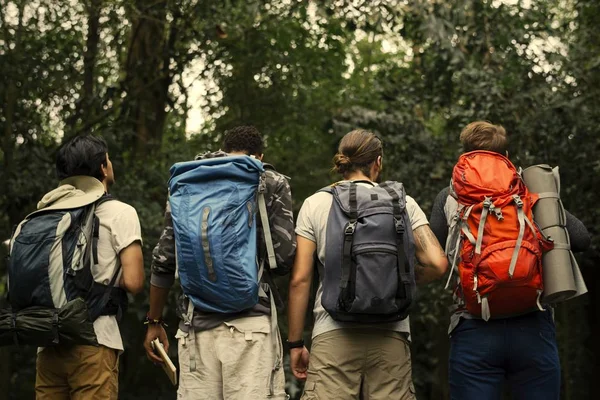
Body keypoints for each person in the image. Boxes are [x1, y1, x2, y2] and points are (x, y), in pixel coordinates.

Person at [429, 121, 591, 400]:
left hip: (474, 327)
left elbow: (433, 257)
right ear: (506, 155)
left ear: (465, 154)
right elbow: (581, 238)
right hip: (532, 325)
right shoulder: (529, 190)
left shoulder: (450, 196)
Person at [288, 129, 448, 400]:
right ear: (378, 162)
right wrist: (398, 277)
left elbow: (300, 279)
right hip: (391, 335)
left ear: (342, 163)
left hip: (332, 334)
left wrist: (295, 343)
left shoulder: (315, 204)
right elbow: (438, 263)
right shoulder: (403, 203)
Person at [145, 126, 296, 400]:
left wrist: (154, 321)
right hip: (251, 326)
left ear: (223, 149)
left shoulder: (189, 181)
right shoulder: (269, 180)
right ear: (260, 155)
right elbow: (283, 258)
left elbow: (164, 258)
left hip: (196, 325)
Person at [35, 135, 145, 399]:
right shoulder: (121, 212)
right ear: (103, 169)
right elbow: (134, 282)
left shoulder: (47, 212)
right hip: (95, 340)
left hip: (47, 340)